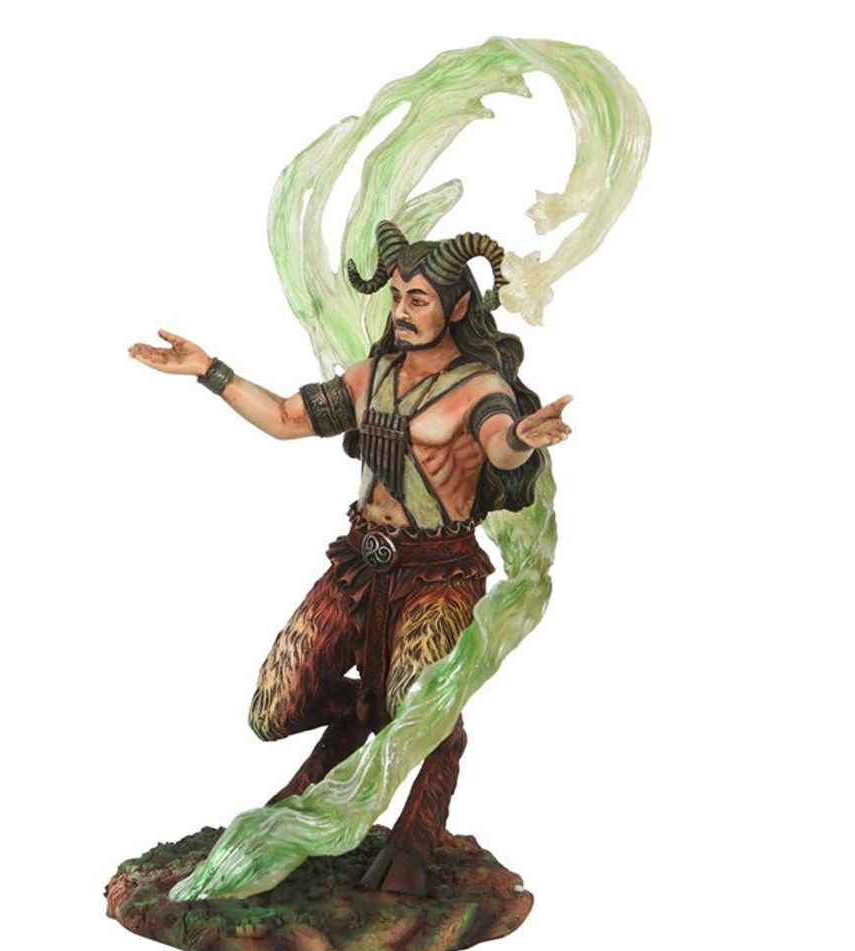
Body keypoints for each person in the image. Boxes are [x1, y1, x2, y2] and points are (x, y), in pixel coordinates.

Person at [128, 220, 573, 896]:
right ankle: (365, 713)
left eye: (418, 299)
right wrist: (209, 371)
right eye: (396, 296)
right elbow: (286, 418)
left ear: (458, 306)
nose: (402, 311)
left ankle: (417, 837)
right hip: (357, 566)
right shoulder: (373, 376)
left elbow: (499, 444)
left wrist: (524, 439)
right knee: (274, 709)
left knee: (420, 706)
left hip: (438, 573)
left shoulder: (480, 387)